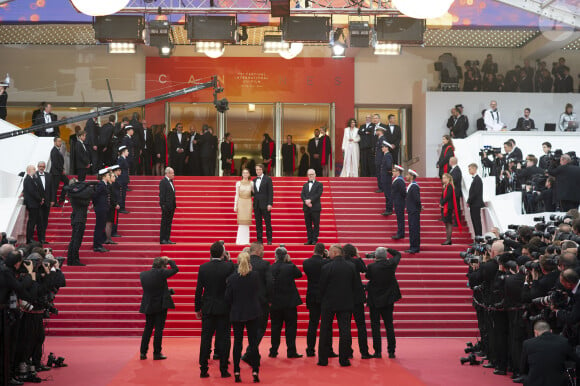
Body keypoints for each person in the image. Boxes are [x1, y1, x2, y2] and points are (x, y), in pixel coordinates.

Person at [195, 241, 235, 379]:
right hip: (224, 307)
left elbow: (199, 290)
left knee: (205, 338)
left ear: (210, 253)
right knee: (224, 338)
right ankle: (223, 369)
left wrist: (197, 308)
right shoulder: (229, 266)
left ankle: (203, 369)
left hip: (208, 307)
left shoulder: (203, 267)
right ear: (223, 253)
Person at [225, 252, 261, 383]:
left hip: (237, 313)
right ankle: (255, 370)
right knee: (253, 344)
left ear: (237, 262)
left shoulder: (232, 278)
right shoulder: (255, 276)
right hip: (252, 313)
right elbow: (258, 291)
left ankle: (236, 371)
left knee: (237, 343)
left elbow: (228, 298)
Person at [318, 244, 357, 367]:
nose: (328, 253)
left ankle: (323, 359)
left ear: (334, 253)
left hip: (328, 303)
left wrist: (321, 300)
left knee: (325, 330)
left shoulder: (326, 267)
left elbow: (322, 286)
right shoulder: (351, 266)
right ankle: (344, 359)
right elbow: (355, 286)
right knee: (345, 331)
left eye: (329, 251)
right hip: (346, 302)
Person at [139, 256, 179, 361]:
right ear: (161, 266)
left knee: (147, 328)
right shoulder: (161, 273)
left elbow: (153, 289)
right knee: (158, 330)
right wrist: (170, 260)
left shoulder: (143, 275)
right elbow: (175, 269)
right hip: (160, 305)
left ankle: (143, 352)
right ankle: (157, 353)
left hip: (148, 305)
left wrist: (167, 291)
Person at [366, 247, 402, 358]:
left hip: (374, 300)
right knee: (389, 325)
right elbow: (398, 254)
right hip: (388, 299)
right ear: (386, 256)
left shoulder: (371, 266)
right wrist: (388, 249)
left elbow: (368, 276)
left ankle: (377, 352)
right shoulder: (391, 264)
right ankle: (391, 351)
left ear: (376, 256)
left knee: (375, 326)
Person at [268, 247, 303, 359]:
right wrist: (290, 261)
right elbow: (299, 274)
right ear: (286, 256)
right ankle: (291, 351)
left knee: (275, 327)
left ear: (275, 256)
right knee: (291, 327)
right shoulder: (290, 267)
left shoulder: (271, 268)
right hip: (289, 303)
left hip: (275, 303)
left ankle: (273, 350)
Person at [520, 320, 579, 386]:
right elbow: (576, 360)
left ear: (535, 332)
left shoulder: (527, 343)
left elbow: (523, 369)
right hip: (558, 383)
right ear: (551, 331)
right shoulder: (564, 341)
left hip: (534, 382)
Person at [343, 244, 372, 359]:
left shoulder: (342, 262)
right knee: (361, 325)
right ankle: (364, 352)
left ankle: (348, 351)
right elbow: (364, 269)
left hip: (345, 298)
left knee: (346, 326)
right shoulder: (356, 262)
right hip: (357, 298)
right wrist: (358, 256)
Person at [302, 243, 331, 358]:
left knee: (312, 323)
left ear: (314, 250)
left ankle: (310, 349)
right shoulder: (326, 262)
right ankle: (327, 349)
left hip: (311, 295)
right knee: (326, 324)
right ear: (323, 251)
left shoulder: (306, 262)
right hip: (324, 296)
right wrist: (327, 257)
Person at [247, 242, 272, 356]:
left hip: (245, 301)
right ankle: (250, 352)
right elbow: (270, 283)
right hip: (261, 302)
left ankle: (249, 351)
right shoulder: (265, 264)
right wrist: (270, 299)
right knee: (260, 328)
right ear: (257, 250)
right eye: (262, 249)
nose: (264, 251)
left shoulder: (243, 263)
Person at [65, 178, 92, 266]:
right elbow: (84, 202)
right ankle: (74, 260)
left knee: (75, 240)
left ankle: (71, 259)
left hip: (78, 218)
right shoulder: (74, 194)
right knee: (76, 240)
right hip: (78, 219)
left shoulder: (74, 194)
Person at [252, 164, 273, 245]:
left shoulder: (268, 179)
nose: (258, 171)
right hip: (256, 204)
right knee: (258, 223)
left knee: (268, 222)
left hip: (265, 204)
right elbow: (253, 193)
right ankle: (259, 240)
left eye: (259, 169)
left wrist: (270, 203)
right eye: (256, 169)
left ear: (262, 170)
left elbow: (270, 192)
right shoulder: (253, 181)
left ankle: (269, 239)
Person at [301, 169, 323, 245]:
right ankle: (309, 239)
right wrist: (306, 201)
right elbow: (302, 195)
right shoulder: (305, 185)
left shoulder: (319, 184)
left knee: (316, 224)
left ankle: (314, 239)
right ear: (307, 175)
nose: (310, 176)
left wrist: (310, 200)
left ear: (315, 175)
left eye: (312, 174)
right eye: (309, 175)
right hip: (306, 208)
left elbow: (318, 194)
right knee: (308, 225)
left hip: (315, 208)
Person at [23, 165, 43, 244]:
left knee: (35, 221)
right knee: (32, 222)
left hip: (34, 204)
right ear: (29, 170)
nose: (35, 170)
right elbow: (32, 192)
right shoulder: (28, 179)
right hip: (32, 204)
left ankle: (32, 238)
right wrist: (40, 199)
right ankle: (29, 238)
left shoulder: (32, 179)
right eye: (33, 169)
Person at [440, 173, 461, 245]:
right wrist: (441, 203)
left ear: (448, 179)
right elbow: (442, 196)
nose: (443, 179)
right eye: (442, 178)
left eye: (444, 178)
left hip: (448, 207)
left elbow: (447, 197)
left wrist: (442, 203)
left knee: (448, 223)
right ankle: (448, 239)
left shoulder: (450, 186)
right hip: (445, 206)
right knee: (446, 223)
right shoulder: (445, 186)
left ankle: (448, 240)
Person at [234, 168, 253, 245]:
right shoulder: (238, 183)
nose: (245, 174)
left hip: (248, 201)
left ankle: (246, 240)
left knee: (247, 221)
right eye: (244, 173)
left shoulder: (252, 183)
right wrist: (235, 205)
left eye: (246, 173)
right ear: (242, 174)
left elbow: (254, 193)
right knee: (241, 221)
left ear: (249, 174)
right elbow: (237, 194)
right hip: (241, 202)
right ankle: (239, 240)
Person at [405, 169, 422, 254]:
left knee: (414, 229)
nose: (406, 177)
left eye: (407, 175)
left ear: (412, 176)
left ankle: (415, 247)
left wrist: (419, 208)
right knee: (412, 229)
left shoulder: (414, 186)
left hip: (414, 211)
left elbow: (417, 199)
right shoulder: (411, 185)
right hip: (411, 210)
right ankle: (412, 246)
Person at [92, 169, 109, 253]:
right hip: (101, 208)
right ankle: (97, 245)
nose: (109, 176)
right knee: (99, 227)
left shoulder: (104, 184)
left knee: (101, 227)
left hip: (103, 208)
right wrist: (96, 205)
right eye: (108, 175)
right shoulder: (101, 184)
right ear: (104, 176)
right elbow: (95, 195)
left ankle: (99, 244)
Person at [36, 161, 52, 244]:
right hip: (38, 203)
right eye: (40, 166)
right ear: (37, 167)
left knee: (45, 221)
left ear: (45, 167)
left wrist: (52, 200)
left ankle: (43, 238)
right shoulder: (34, 175)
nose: (41, 168)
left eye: (43, 166)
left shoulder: (48, 175)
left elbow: (52, 189)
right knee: (40, 221)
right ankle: (40, 238)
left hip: (47, 202)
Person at [159, 167, 176, 245]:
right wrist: (163, 206)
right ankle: (163, 239)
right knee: (164, 223)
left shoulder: (171, 181)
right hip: (166, 207)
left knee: (169, 223)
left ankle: (167, 238)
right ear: (168, 173)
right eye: (172, 173)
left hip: (171, 207)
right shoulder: (163, 182)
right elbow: (162, 195)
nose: (173, 174)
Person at [467, 163, 484, 237]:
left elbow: (475, 193)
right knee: (474, 221)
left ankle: (479, 238)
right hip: (474, 204)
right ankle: (477, 238)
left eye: (470, 168)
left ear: (474, 169)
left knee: (476, 222)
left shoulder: (477, 179)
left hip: (475, 204)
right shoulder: (476, 179)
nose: (469, 170)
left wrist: (468, 201)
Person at [49, 137, 68, 207]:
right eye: (58, 141)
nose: (60, 143)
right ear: (55, 142)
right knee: (55, 188)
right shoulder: (54, 151)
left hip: (58, 171)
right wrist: (62, 170)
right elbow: (55, 163)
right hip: (55, 172)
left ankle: (61, 198)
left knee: (67, 182)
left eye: (61, 141)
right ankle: (55, 202)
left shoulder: (57, 150)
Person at [391, 165, 406, 240]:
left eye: (394, 171)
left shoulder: (399, 180)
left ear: (398, 172)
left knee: (400, 218)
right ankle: (400, 233)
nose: (392, 172)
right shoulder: (397, 179)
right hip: (398, 201)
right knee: (399, 218)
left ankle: (400, 233)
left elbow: (403, 192)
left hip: (399, 202)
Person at [380, 141, 393, 216]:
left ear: (386, 148)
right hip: (386, 177)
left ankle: (389, 209)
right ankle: (388, 209)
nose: (382, 148)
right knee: (387, 194)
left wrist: (388, 173)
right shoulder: (386, 155)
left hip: (386, 178)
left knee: (388, 194)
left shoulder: (387, 155)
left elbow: (388, 166)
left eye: (383, 147)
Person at [374, 125, 386, 192]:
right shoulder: (380, 139)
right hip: (378, 159)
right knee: (378, 174)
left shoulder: (383, 139)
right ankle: (380, 187)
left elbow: (383, 150)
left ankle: (382, 188)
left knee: (380, 174)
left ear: (380, 131)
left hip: (380, 159)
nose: (376, 132)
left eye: (377, 130)